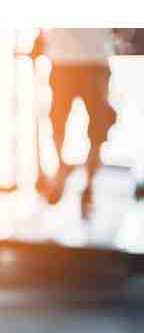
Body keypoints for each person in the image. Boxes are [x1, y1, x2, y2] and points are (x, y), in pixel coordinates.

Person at [35, 28, 117, 218]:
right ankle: (82, 181)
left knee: (77, 126)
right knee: (92, 129)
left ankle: (78, 179)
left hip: (76, 59)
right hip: (82, 58)